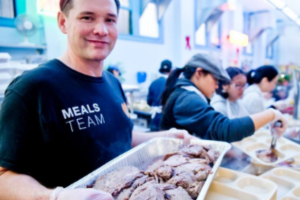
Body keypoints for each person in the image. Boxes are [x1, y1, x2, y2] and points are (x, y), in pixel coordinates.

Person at [0, 0, 193, 200]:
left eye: (110, 20)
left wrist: (169, 136)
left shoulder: (113, 83)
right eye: (87, 17)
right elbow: (3, 177)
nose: (101, 30)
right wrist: (56, 197)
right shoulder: (33, 88)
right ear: (63, 22)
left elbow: (120, 136)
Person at [160, 53, 287, 143]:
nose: (216, 86)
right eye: (215, 80)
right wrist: (272, 114)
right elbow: (224, 130)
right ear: (199, 73)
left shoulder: (185, 93)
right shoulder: (187, 99)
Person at [147, 59, 172, 131]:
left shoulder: (153, 83)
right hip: (166, 119)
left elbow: (149, 102)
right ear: (170, 70)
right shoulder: (171, 84)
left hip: (155, 118)